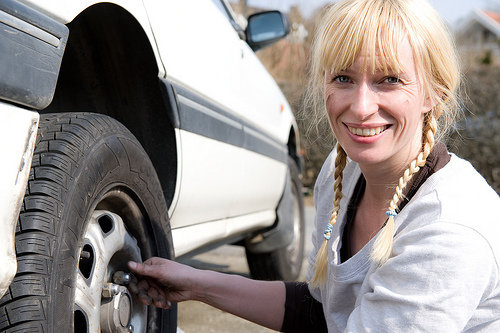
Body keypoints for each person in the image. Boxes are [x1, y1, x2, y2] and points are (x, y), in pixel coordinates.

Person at [127, 0, 500, 331]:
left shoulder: (447, 233)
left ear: (434, 93)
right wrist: (196, 283)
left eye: (389, 80)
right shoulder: (343, 174)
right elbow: (319, 312)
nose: (361, 106)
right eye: (343, 78)